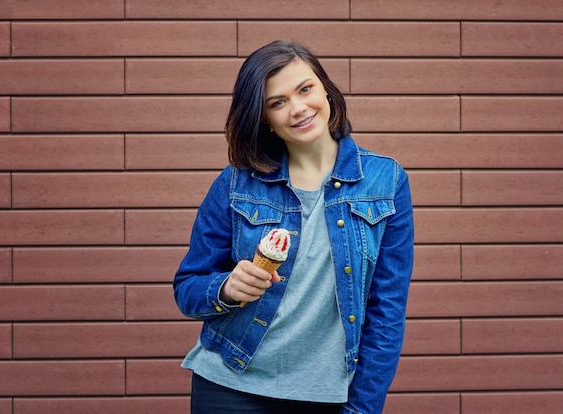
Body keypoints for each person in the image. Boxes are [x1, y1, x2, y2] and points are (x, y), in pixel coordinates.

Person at [173, 40, 414, 414]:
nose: (298, 108)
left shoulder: (386, 181)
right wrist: (226, 287)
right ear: (264, 118)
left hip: (326, 396)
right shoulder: (237, 183)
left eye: (305, 89)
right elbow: (187, 288)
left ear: (325, 88)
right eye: (277, 102)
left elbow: (387, 313)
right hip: (230, 386)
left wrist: (363, 408)